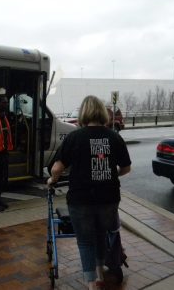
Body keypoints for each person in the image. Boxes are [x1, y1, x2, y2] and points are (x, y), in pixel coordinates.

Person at [47, 95, 131, 290]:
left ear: (83, 113)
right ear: (102, 112)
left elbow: (57, 168)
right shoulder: (114, 137)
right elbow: (126, 168)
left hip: (80, 199)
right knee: (101, 235)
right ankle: (100, 271)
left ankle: (92, 283)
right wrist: (111, 174)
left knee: (85, 242)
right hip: (109, 198)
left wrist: (52, 180)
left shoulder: (75, 137)